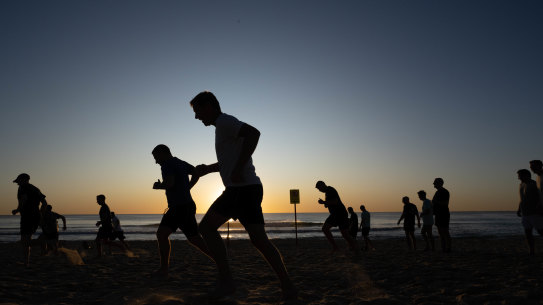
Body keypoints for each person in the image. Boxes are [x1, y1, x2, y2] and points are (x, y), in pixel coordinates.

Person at [189, 91, 296, 300]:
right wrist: (207, 169)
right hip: (246, 189)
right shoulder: (222, 127)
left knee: (206, 228)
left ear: (209, 106)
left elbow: (254, 133)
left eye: (198, 111)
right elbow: (228, 162)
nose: (196, 117)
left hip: (242, 190)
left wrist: (238, 169)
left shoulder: (225, 122)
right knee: (259, 240)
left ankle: (227, 282)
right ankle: (287, 285)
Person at [151, 144, 213, 278]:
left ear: (163, 153)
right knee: (195, 239)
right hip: (187, 205)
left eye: (156, 157)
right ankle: (220, 260)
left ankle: (163, 269)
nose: (156, 161)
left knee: (162, 234)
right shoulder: (180, 162)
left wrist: (158, 186)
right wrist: (188, 187)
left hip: (179, 207)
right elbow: (196, 173)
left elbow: (170, 184)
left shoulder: (166, 164)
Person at [11, 173, 48, 266]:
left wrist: (17, 210)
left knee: (24, 241)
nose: (17, 183)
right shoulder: (35, 189)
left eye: (18, 181)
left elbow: (23, 199)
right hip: (36, 216)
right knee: (26, 239)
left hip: (27, 217)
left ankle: (41, 242)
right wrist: (41, 215)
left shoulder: (23, 188)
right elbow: (44, 203)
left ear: (24, 180)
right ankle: (26, 262)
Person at [315, 180, 361, 254]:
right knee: (344, 234)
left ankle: (338, 247)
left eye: (319, 188)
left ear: (323, 185)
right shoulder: (327, 192)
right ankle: (354, 247)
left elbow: (335, 201)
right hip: (338, 213)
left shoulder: (330, 190)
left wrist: (324, 202)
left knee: (326, 229)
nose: (319, 190)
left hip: (339, 213)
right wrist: (324, 202)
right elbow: (330, 203)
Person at [516, 169, 543, 255]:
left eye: (520, 175)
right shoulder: (521, 185)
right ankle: (532, 251)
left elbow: (540, 196)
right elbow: (522, 198)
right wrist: (519, 209)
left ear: (526, 175)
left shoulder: (534, 184)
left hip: (534, 213)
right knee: (527, 233)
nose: (518, 177)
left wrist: (539, 208)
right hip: (525, 213)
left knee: (541, 231)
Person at [432, 178, 452, 252]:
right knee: (440, 232)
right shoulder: (438, 192)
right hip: (438, 214)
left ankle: (448, 248)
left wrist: (435, 202)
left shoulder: (444, 191)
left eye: (435, 183)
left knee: (445, 231)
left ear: (439, 183)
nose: (433, 184)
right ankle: (443, 248)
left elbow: (445, 203)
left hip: (443, 214)